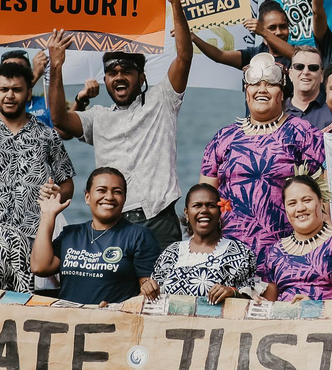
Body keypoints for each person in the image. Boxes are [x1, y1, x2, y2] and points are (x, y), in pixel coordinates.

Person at [47, 0, 193, 249]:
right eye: (112, 72)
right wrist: (56, 66)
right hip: (113, 221)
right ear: (105, 80)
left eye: (127, 70)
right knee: (116, 294)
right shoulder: (98, 117)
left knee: (161, 292)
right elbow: (60, 120)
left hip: (159, 220)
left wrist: (174, 2)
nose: (119, 77)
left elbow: (184, 56)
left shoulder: (162, 100)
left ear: (141, 77)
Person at [200, 53, 325, 278]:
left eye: (270, 84)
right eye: (255, 84)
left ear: (282, 93)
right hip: (229, 252)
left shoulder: (303, 133)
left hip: (288, 252)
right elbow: (204, 199)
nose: (262, 89)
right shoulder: (224, 137)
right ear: (246, 92)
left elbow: (324, 196)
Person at [31, 167, 161, 305]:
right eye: (101, 190)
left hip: (114, 322)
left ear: (124, 199)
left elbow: (148, 291)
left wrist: (117, 309)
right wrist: (48, 215)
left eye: (117, 192)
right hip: (68, 321)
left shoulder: (139, 236)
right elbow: (40, 267)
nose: (109, 197)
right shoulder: (70, 234)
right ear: (87, 197)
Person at [0, 62, 75, 292]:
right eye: (3, 89)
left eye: (17, 89)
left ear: (29, 92)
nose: (10, 95)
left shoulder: (46, 134)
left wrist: (57, 194)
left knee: (25, 312)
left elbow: (67, 183)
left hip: (34, 244)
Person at [140, 184, 256, 303]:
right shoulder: (171, 252)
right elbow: (154, 294)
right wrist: (148, 287)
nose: (204, 210)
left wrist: (233, 292)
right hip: (172, 322)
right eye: (197, 205)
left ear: (219, 212)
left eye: (211, 205)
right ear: (187, 213)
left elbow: (251, 299)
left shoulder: (240, 253)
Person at [263, 172, 332, 303]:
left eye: (307, 200)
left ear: (320, 202)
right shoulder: (274, 252)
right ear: (285, 209)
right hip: (286, 322)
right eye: (292, 203)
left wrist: (314, 307)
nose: (300, 208)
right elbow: (269, 303)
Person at [1, 49, 100, 137]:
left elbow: (65, 133)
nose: (13, 76)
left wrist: (80, 99)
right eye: (7, 71)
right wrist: (36, 73)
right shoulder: (3, 105)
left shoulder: (45, 103)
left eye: (19, 70)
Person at [191, 0, 294, 70]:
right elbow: (219, 55)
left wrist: (264, 32)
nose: (279, 32)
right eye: (272, 28)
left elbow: (295, 55)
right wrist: (193, 37)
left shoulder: (300, 53)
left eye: (283, 26)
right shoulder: (254, 55)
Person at [284, 46, 332, 130]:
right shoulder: (277, 111)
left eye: (313, 68)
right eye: (299, 66)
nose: (306, 72)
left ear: (322, 75)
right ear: (290, 74)